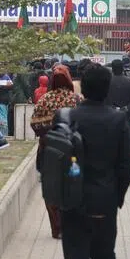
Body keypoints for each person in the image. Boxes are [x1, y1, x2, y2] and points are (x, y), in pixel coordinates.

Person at [58, 63, 130, 259]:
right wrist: (117, 197)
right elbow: (127, 166)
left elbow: (50, 162)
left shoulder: (66, 117)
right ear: (108, 89)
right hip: (105, 202)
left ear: (83, 87)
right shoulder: (117, 120)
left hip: (72, 203)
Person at [32, 64, 83, 239]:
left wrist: (49, 132)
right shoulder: (76, 100)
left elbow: (35, 124)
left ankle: (57, 228)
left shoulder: (45, 99)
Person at [107, 59, 130, 148]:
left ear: (112, 69)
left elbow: (104, 98)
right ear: (123, 68)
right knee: (128, 140)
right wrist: (126, 108)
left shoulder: (107, 83)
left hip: (111, 116)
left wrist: (113, 108)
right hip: (128, 115)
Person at [0, 74, 13, 138]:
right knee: (3, 118)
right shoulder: (6, 77)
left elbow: (11, 85)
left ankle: (2, 135)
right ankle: (3, 134)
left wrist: (1, 86)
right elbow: (11, 85)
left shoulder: (1, 77)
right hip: (4, 100)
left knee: (0, 119)